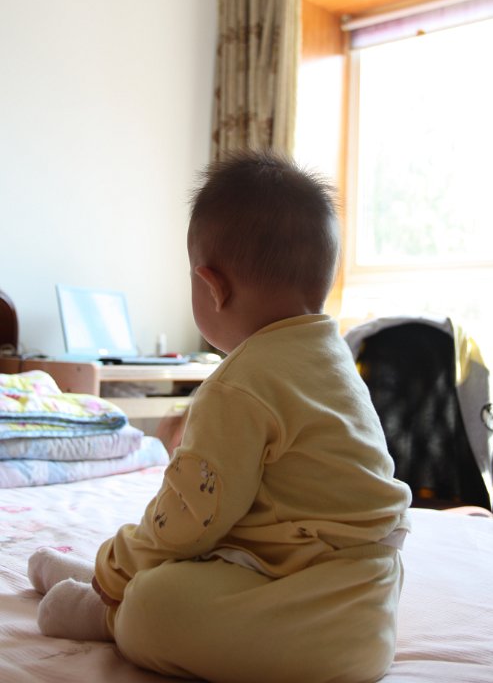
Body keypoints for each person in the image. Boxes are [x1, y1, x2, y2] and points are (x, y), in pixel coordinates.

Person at [28, 150, 411, 683]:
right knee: (211, 552)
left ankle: (106, 606)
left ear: (212, 286)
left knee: (157, 605)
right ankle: (109, 579)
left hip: (314, 613)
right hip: (371, 602)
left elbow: (185, 523)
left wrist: (114, 570)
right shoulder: (333, 359)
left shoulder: (238, 384)